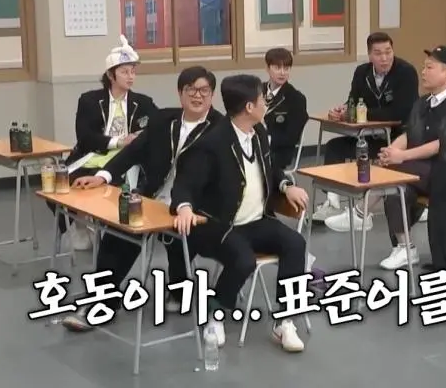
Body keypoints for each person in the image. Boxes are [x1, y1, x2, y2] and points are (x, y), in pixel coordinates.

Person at [59, 66, 222, 332]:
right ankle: (103, 303)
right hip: (154, 200)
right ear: (180, 93)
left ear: (212, 95)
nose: (197, 95)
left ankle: (180, 289)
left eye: (204, 90)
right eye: (191, 89)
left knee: (178, 239)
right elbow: (132, 151)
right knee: (118, 233)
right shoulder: (164, 120)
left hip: (195, 209)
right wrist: (102, 176)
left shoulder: (221, 129)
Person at [170, 74, 311, 352]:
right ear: (249, 107)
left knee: (295, 244)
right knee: (243, 259)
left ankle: (284, 321)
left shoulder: (259, 133)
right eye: (262, 99)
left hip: (256, 222)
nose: (265, 104)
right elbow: (185, 183)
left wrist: (286, 186)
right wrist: (184, 208)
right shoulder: (212, 143)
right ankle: (216, 314)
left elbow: (271, 169)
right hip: (220, 225)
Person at [375, 46, 446, 273]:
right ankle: (405, 247)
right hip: (423, 169)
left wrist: (402, 156)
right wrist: (392, 150)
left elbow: (443, 144)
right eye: (423, 67)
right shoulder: (423, 103)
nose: (423, 72)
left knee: (394, 173)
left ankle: (360, 211)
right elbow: (410, 134)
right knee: (395, 189)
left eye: (429, 68)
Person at [51, 35, 158, 251]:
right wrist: (119, 141)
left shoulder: (143, 102)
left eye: (133, 71)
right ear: (110, 75)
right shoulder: (89, 100)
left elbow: (156, 128)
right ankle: (79, 226)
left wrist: (139, 138)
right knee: (56, 188)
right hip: (93, 156)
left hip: (125, 161)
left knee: (114, 191)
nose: (131, 77)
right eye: (125, 72)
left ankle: (107, 235)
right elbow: (85, 137)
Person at [317, 32, 419, 231]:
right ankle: (332, 201)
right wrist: (343, 110)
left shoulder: (406, 72)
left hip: (400, 138)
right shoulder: (362, 72)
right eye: (378, 53)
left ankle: (363, 213)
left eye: (388, 52)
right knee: (334, 148)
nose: (384, 58)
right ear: (370, 55)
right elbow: (353, 101)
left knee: (386, 161)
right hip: (371, 136)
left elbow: (401, 111)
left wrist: (360, 113)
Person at [262, 48, 308, 171]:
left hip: (278, 152)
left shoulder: (296, 98)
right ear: (267, 68)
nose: (282, 73)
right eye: (277, 68)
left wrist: (265, 139)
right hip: (250, 146)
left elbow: (291, 137)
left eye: (286, 68)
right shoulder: (256, 92)